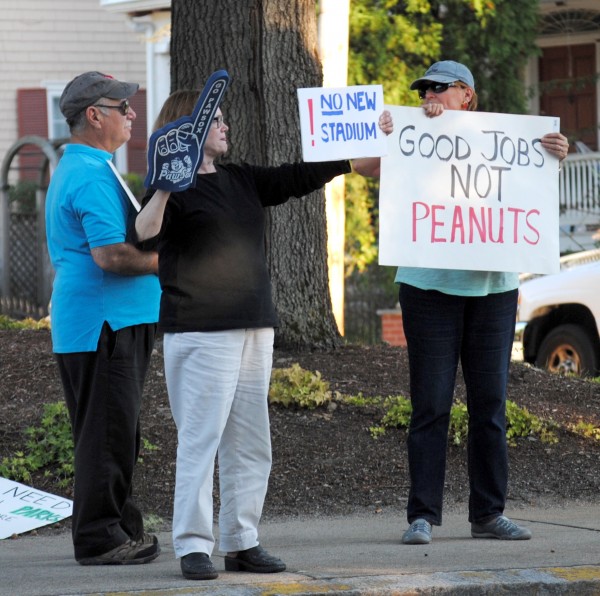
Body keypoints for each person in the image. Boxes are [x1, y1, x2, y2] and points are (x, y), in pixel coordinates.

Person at [135, 89, 352, 580]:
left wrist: (348, 160)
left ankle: (241, 541)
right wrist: (168, 183)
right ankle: (193, 545)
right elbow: (144, 231)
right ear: (189, 128)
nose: (226, 126)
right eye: (216, 120)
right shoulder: (172, 188)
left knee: (251, 441)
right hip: (200, 330)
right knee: (201, 438)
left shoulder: (240, 178)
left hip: (255, 325)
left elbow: (294, 177)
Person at [353, 60, 569, 545]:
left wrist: (556, 152)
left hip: (493, 291)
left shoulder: (505, 141)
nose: (428, 95)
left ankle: (489, 514)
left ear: (466, 95)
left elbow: (532, 186)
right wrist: (383, 133)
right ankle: (422, 516)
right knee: (430, 403)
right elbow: (364, 167)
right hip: (428, 290)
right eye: (422, 89)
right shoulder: (409, 136)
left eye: (439, 88)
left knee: (489, 404)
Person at [45, 71, 168, 565]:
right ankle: (101, 538)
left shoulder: (84, 166)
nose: (132, 114)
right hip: (106, 323)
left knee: (112, 431)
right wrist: (172, 260)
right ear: (94, 115)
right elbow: (112, 256)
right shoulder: (91, 174)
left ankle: (119, 527)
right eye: (124, 107)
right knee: (108, 434)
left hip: (99, 322)